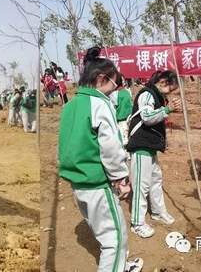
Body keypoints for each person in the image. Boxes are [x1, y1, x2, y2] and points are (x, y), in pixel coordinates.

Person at [58, 47, 144, 272]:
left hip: (78, 183)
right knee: (114, 240)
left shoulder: (70, 106)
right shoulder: (99, 104)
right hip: (97, 183)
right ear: (101, 79)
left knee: (104, 233)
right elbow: (110, 146)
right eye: (113, 85)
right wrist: (121, 179)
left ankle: (122, 265)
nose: (113, 91)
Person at [126, 70, 180, 239]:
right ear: (163, 82)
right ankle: (137, 222)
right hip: (141, 145)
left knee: (156, 180)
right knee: (141, 185)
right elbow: (147, 117)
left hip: (149, 146)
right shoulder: (147, 94)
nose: (171, 93)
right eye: (171, 88)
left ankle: (157, 212)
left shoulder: (155, 95)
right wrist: (167, 109)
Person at [110, 78, 133, 145]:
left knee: (122, 143)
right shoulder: (127, 92)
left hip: (120, 122)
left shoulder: (115, 94)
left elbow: (113, 108)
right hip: (128, 120)